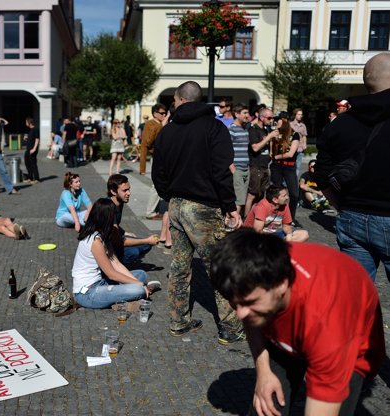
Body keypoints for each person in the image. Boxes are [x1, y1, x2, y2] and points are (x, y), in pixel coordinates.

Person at [210, 230, 385, 416]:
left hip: (346, 347)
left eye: (249, 303)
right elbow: (248, 312)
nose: (240, 314)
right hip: (285, 325)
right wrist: (263, 373)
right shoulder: (259, 269)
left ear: (281, 285)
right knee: (266, 406)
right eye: (233, 302)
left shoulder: (327, 325)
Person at [152, 81, 243, 344]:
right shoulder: (214, 128)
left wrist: (169, 197)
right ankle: (230, 328)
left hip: (177, 206)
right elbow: (222, 171)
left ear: (180, 100)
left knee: (180, 266)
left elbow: (158, 173)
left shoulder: (167, 132)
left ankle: (178, 321)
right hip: (204, 208)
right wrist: (229, 206)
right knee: (219, 267)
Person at [315, 52, 390, 281]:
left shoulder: (340, 123)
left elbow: (322, 174)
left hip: (351, 216)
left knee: (355, 296)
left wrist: (341, 206)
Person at [72, 198, 160, 309]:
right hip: (87, 293)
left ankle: (125, 294)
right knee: (138, 289)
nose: (114, 222)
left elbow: (117, 264)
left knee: (141, 275)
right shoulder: (95, 241)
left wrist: (137, 282)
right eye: (112, 218)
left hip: (101, 283)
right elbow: (111, 274)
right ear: (106, 219)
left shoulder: (103, 236)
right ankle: (127, 297)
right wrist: (140, 285)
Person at [107, 174, 158, 265]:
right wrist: (146, 240)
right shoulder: (108, 208)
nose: (129, 193)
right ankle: (117, 266)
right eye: (125, 190)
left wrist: (124, 232)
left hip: (113, 240)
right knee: (134, 251)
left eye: (129, 189)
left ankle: (125, 260)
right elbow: (118, 241)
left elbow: (114, 226)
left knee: (146, 245)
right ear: (113, 191)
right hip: (105, 247)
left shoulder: (119, 202)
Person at [244, 185, 309, 242]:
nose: (287, 197)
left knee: (304, 234)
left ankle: (280, 248)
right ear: (275, 200)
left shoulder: (284, 205)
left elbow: (286, 227)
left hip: (271, 236)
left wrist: (289, 237)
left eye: (287, 195)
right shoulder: (262, 207)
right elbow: (257, 231)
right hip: (253, 237)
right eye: (284, 196)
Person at [246, 107, 279, 215]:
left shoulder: (265, 129)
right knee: (252, 195)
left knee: (261, 195)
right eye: (269, 117)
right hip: (256, 166)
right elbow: (255, 148)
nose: (271, 120)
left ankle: (255, 218)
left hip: (265, 166)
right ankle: (246, 220)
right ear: (261, 117)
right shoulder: (253, 130)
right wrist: (269, 137)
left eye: (272, 117)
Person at [270, 112, 300, 226]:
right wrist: (274, 138)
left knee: (294, 194)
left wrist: (276, 157)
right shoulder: (274, 133)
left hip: (289, 167)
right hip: (277, 167)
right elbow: (271, 153)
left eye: (278, 119)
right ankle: (274, 215)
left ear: (284, 120)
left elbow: (291, 153)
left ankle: (290, 218)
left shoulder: (294, 134)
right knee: (275, 193)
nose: (275, 122)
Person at [229, 103, 251, 216]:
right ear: (236, 114)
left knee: (242, 199)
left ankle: (236, 224)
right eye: (244, 113)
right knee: (239, 200)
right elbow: (225, 150)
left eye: (247, 113)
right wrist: (232, 168)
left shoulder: (244, 129)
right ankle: (233, 226)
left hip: (245, 169)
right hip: (236, 169)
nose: (247, 115)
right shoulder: (231, 129)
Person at [290, 108, 307, 178]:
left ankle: (293, 181)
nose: (300, 116)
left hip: (300, 149)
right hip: (292, 148)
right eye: (299, 114)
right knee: (291, 166)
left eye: (301, 114)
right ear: (295, 115)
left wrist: (304, 144)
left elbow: (304, 136)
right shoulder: (290, 124)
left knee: (298, 166)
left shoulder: (303, 125)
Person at [23, 117, 40, 184]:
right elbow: (31, 140)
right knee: (27, 162)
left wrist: (34, 148)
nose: (25, 123)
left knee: (33, 164)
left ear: (29, 123)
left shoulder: (35, 129)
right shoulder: (30, 130)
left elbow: (37, 139)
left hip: (32, 149)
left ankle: (36, 179)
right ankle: (30, 178)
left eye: (26, 122)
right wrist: (26, 139)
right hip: (28, 149)